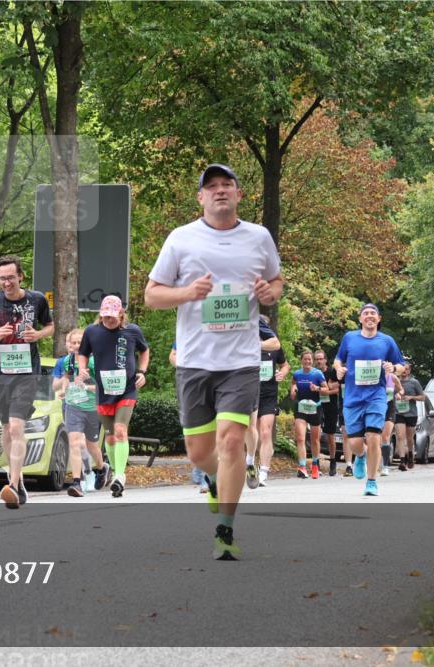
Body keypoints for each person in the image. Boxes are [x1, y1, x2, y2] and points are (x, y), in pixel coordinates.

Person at [145, 163, 283, 560]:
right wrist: (188, 293)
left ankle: (225, 530)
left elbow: (275, 282)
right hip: (194, 360)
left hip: (240, 361)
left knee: (233, 442)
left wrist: (268, 292)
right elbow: (153, 295)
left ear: (239, 195)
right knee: (198, 452)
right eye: (212, 187)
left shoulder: (259, 237)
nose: (220, 190)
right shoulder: (181, 239)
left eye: (227, 185)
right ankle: (211, 479)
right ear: (200, 198)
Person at [0, 256, 54, 509]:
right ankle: (14, 480)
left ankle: (15, 484)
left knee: (17, 427)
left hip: (27, 374)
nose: (6, 283)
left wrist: (37, 334)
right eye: (2, 278)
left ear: (21, 276)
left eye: (10, 277)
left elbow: (50, 326)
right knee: (7, 429)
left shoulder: (37, 300)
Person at [76, 295, 150, 498]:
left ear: (121, 313)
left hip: (127, 388)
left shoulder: (132, 331)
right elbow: (83, 353)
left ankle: (119, 476)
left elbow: (144, 351)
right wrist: (82, 369)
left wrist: (142, 372)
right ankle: (115, 472)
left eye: (112, 317)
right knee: (109, 436)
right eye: (105, 317)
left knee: (120, 429)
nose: (108, 320)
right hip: (104, 390)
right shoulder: (92, 332)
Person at [333, 304, 405, 496]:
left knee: (374, 437)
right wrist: (338, 368)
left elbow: (401, 365)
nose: (370, 316)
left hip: (377, 396)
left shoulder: (387, 341)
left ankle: (371, 481)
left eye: (373, 313)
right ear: (360, 319)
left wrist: (393, 369)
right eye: (366, 313)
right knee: (355, 442)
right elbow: (338, 359)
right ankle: (361, 456)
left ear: (379, 319)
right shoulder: (349, 338)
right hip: (353, 397)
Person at [55, 329, 107, 497]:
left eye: (80, 343)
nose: (77, 346)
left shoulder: (94, 362)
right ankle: (77, 481)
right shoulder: (66, 361)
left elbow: (103, 386)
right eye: (74, 343)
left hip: (91, 407)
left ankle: (101, 468)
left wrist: (86, 386)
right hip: (73, 406)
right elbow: (64, 378)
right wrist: (64, 388)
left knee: (92, 445)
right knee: (75, 442)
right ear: (69, 344)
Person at [244, 316, 284, 489]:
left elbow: (285, 364)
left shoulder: (274, 348)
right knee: (250, 431)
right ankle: (250, 462)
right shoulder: (244, 346)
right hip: (250, 392)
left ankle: (263, 473)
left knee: (265, 432)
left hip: (268, 394)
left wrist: (282, 372)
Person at [173, 342, 210, 493]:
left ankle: (207, 477)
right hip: (194, 386)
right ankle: (200, 466)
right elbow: (173, 355)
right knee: (198, 431)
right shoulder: (189, 330)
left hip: (217, 385)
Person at [290, 350, 326, 479]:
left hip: (315, 408)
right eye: (305, 359)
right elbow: (293, 386)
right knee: (300, 438)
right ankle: (302, 466)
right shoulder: (297, 374)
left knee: (315, 440)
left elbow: (326, 390)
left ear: (312, 361)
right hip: (301, 408)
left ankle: (315, 465)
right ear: (301, 361)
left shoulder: (318, 374)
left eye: (309, 359)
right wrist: (293, 391)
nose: (307, 361)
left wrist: (317, 389)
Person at [314, 350, 341, 476]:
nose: (319, 361)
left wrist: (325, 391)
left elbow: (337, 389)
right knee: (316, 436)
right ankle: (316, 463)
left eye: (321, 359)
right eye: (317, 359)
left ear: (325, 360)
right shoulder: (313, 373)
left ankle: (333, 462)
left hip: (331, 406)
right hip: (317, 406)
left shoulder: (332, 372)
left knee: (330, 436)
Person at [394, 362, 425, 471]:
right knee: (400, 436)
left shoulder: (414, 382)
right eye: (403, 369)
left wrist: (411, 397)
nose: (404, 371)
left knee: (409, 438)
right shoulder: (394, 381)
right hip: (398, 413)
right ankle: (402, 461)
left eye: (407, 369)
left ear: (409, 371)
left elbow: (423, 397)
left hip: (411, 413)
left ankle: (411, 454)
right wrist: (395, 395)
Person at [379, 369, 404, 476]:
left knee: (385, 436)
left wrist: (398, 394)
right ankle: (375, 462)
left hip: (390, 408)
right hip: (377, 408)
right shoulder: (373, 377)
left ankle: (385, 466)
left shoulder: (392, 377)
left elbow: (401, 390)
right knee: (375, 437)